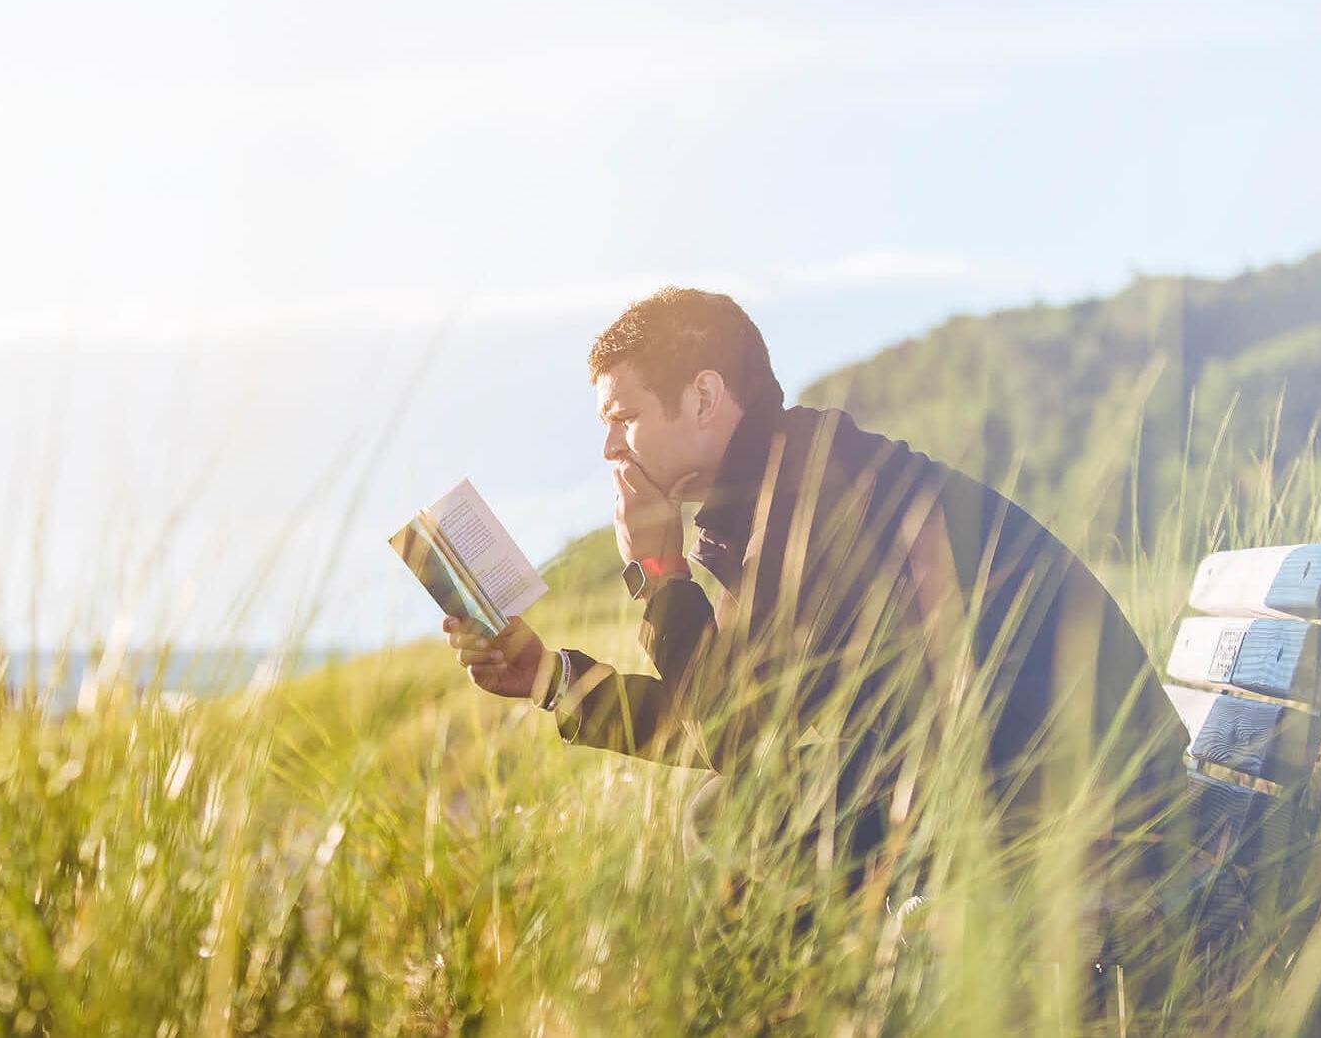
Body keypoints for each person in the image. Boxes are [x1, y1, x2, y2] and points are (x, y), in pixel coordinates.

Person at [443, 286, 1189, 913]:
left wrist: (663, 571)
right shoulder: (782, 488)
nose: (610, 450)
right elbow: (729, 717)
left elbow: (732, 736)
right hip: (1033, 789)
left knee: (734, 819)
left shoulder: (818, 497)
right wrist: (549, 678)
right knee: (745, 810)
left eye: (623, 418)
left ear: (703, 397)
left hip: (1096, 820)